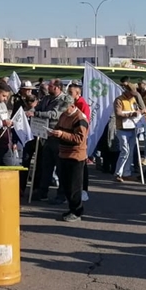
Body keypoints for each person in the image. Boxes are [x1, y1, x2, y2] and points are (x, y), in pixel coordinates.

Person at [50, 94, 88, 223]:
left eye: (65, 108)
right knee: (66, 185)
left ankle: (77, 212)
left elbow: (79, 139)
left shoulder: (80, 118)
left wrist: (62, 134)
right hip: (63, 154)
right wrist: (54, 132)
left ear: (72, 106)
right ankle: (72, 209)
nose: (63, 111)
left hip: (75, 156)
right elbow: (59, 128)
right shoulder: (64, 115)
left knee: (74, 187)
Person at [113, 83, 142, 182]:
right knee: (125, 151)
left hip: (132, 128)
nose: (133, 95)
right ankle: (118, 173)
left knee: (130, 152)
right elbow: (118, 114)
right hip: (122, 129)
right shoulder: (119, 100)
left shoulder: (133, 99)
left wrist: (140, 112)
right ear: (126, 91)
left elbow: (137, 109)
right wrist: (132, 114)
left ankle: (126, 173)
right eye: (132, 93)